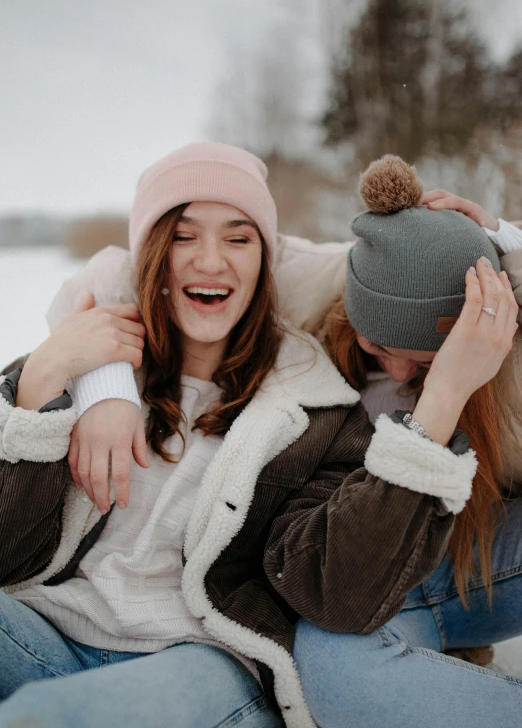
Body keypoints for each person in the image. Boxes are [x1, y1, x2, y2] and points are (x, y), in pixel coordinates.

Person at [1, 147, 517, 728]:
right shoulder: (88, 365)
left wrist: (446, 385)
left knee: (44, 718)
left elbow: (333, 592)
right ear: (151, 256)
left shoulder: (317, 409)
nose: (210, 260)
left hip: (196, 661)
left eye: (239, 239)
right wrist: (43, 380)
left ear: (266, 259)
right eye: (182, 236)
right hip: (42, 630)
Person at [293, 156, 522, 727]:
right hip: (394, 576)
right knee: (332, 665)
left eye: (423, 361)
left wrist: (510, 246)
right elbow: (142, 266)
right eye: (375, 347)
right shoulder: (322, 289)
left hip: (495, 552)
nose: (396, 374)